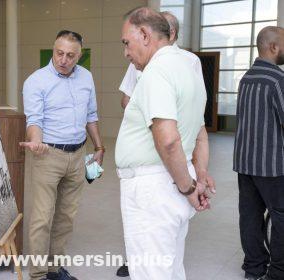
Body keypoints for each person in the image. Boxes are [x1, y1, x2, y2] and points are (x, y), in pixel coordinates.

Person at [115, 7, 215, 280]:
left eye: (127, 42)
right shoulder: (189, 71)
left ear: (145, 34)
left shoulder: (157, 71)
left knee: (151, 271)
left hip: (154, 187)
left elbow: (168, 140)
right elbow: (199, 134)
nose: (126, 52)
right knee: (169, 268)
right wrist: (195, 178)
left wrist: (188, 186)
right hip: (172, 181)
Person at [21, 30, 105, 280]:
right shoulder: (36, 81)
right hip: (48, 154)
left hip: (79, 154)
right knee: (42, 219)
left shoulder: (86, 77)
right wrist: (36, 141)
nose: (63, 59)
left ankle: (54, 269)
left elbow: (92, 115)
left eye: (70, 55)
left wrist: (99, 147)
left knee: (66, 216)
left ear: (79, 55)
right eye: (59, 53)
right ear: (53, 50)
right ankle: (37, 274)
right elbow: (34, 119)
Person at [233, 26, 284, 280]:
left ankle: (254, 268)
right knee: (281, 217)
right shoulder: (277, 80)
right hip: (273, 166)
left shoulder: (246, 79)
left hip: (245, 163)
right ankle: (278, 272)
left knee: (250, 216)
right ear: (273, 47)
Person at [118, 11, 205, 109]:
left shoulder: (190, 60)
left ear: (171, 34)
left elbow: (197, 103)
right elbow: (126, 99)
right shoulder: (139, 60)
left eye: (158, 31)